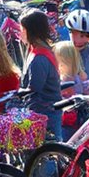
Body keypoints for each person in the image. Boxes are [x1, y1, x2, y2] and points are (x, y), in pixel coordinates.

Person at [15, 8, 62, 136]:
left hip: (46, 112)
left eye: (22, 30)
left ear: (30, 31)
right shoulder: (38, 50)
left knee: (49, 148)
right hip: (45, 110)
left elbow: (35, 87)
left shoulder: (39, 58)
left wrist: (14, 93)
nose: (20, 34)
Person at [64, 9, 89, 87]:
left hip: (86, 94)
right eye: (77, 35)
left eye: (87, 36)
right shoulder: (62, 50)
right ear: (70, 32)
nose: (81, 40)